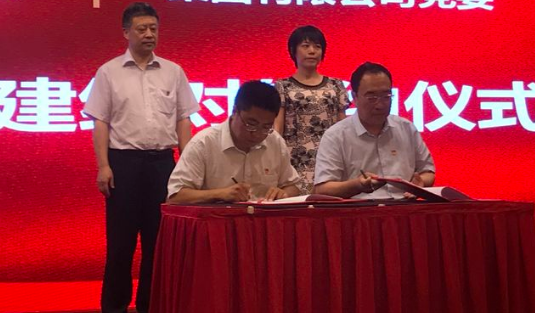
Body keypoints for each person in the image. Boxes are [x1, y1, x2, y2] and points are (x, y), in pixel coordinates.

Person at [83, 2, 199, 313]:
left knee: (157, 242)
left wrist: (186, 163)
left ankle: (152, 304)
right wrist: (103, 166)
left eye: (153, 29)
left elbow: (183, 119)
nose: (149, 34)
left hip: (162, 164)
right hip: (123, 164)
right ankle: (114, 306)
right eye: (142, 29)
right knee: (120, 243)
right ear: (126, 33)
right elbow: (100, 122)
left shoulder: (173, 72)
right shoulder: (108, 72)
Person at [314, 62, 435, 199]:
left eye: (386, 96)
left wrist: (420, 183)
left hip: (405, 205)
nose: (380, 105)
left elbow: (428, 172)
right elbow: (322, 188)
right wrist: (357, 185)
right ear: (355, 97)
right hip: (361, 209)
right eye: (372, 97)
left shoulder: (406, 128)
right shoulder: (336, 136)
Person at [167, 80, 302, 203]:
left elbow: (293, 186)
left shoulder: (275, 142)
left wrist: (284, 193)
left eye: (266, 127)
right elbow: (175, 197)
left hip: (263, 220)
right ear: (234, 111)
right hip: (217, 220)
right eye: (251, 124)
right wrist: (219, 194)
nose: (257, 134)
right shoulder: (204, 143)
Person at [274, 25, 350, 193]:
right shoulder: (283, 86)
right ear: (293, 50)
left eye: (317, 46)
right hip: (295, 159)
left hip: (330, 157)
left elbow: (343, 127)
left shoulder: (335, 85)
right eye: (305, 46)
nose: (312, 51)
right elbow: (277, 129)